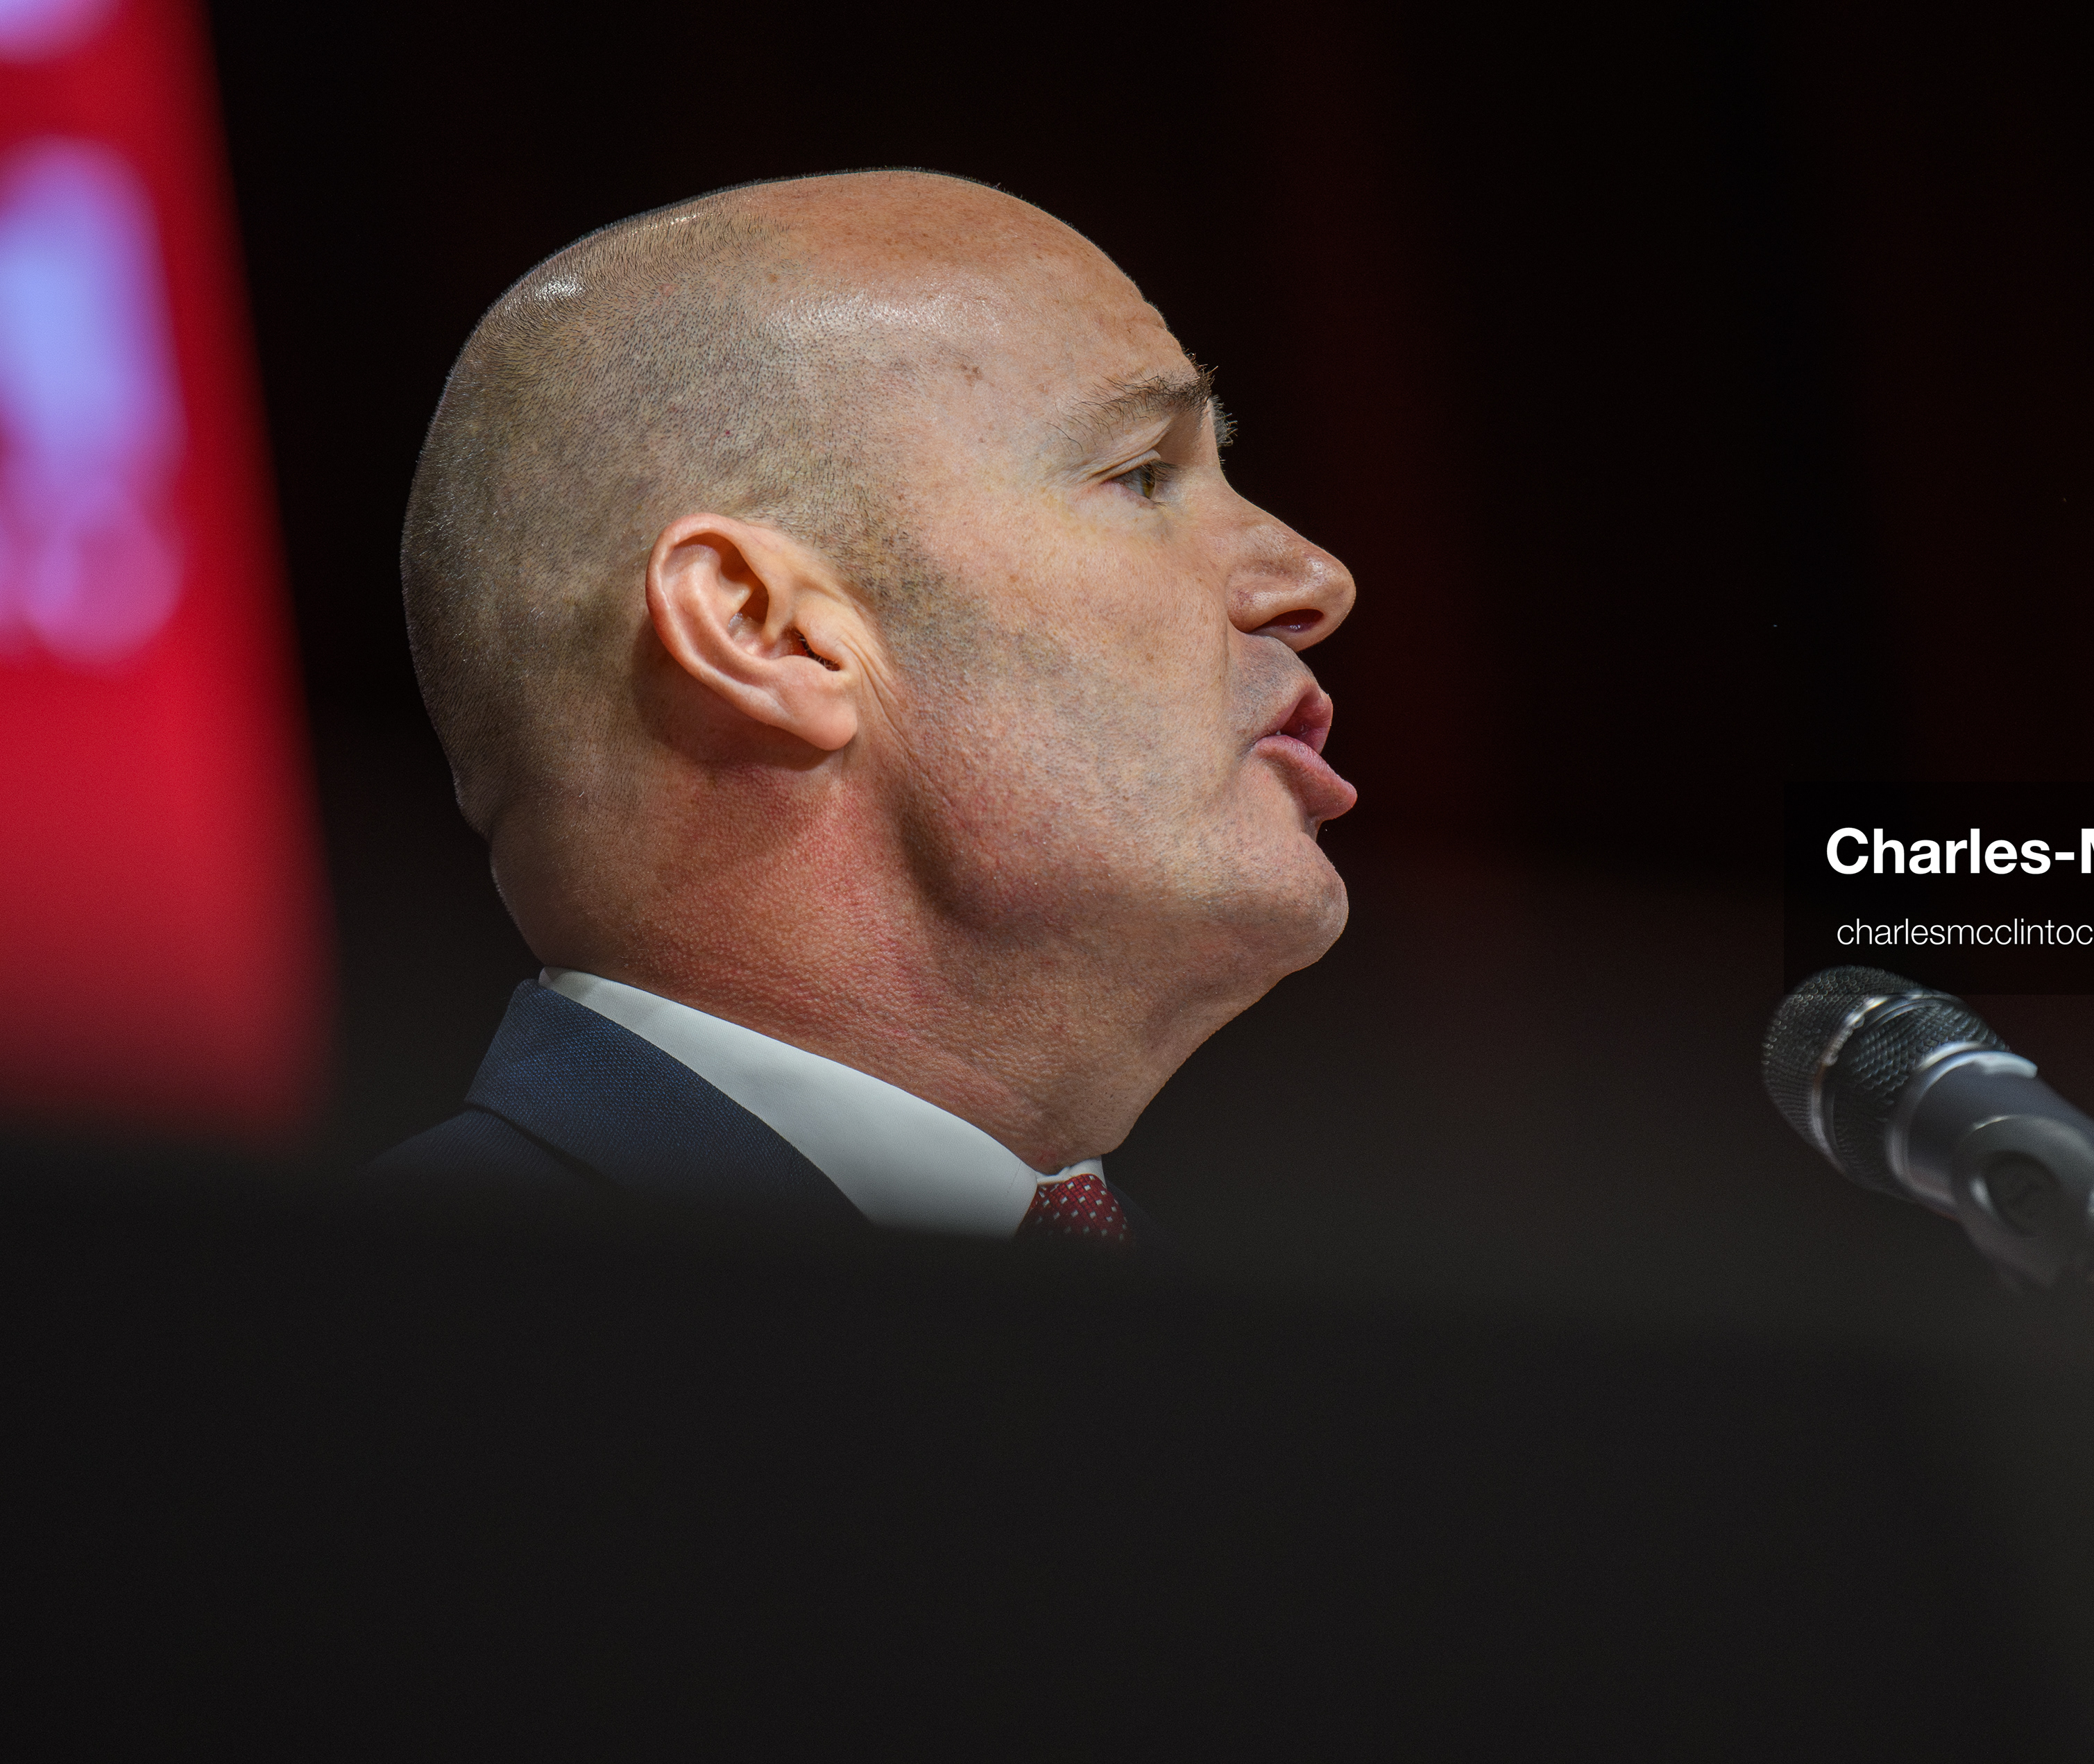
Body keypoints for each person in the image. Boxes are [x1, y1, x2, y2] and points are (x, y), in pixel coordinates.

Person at [373, 171, 1359, 1248]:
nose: (1313, 579)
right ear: (765, 631)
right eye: (1142, 476)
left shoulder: (1280, 1369)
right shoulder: (366, 1350)